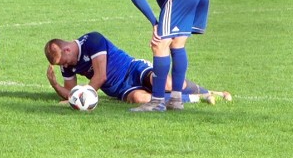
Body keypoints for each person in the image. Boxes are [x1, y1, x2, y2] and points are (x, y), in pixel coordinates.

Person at [101, 0, 209, 112]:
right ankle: (176, 100)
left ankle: (157, 101)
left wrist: (154, 22)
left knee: (159, 44)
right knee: (177, 44)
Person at [44, 32, 231, 106]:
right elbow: (70, 93)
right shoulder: (67, 63)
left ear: (67, 49)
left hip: (132, 69)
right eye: (62, 66)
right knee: (140, 99)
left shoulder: (93, 40)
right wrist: (54, 84)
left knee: (165, 83)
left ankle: (210, 91)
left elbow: (100, 77)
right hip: (122, 90)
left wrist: (82, 99)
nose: (65, 67)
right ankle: (197, 98)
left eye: (64, 62)